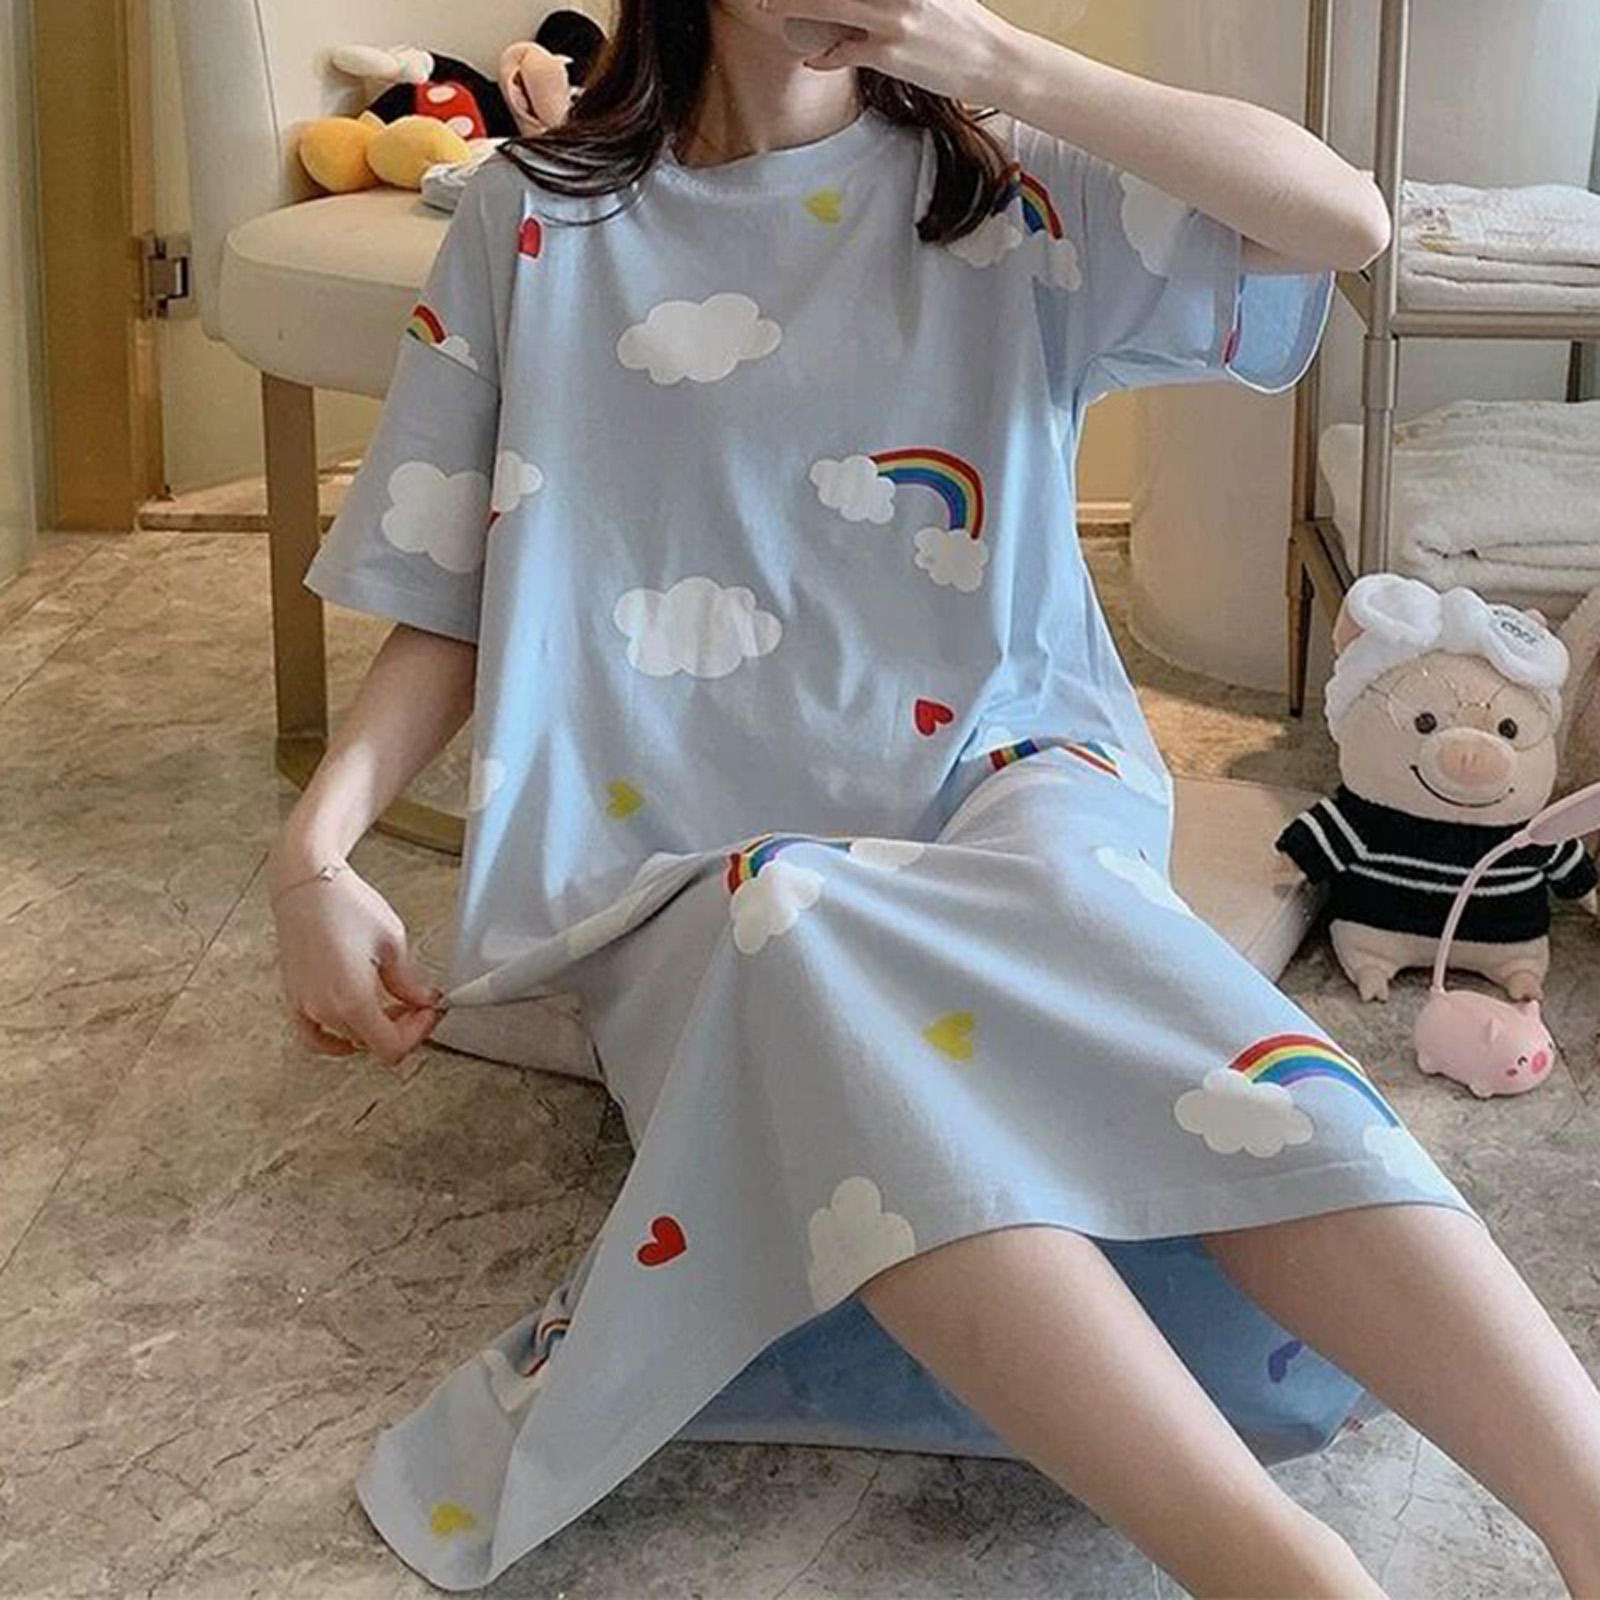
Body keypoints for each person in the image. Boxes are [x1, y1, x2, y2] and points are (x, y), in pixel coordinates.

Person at [266, 2, 1600, 1594]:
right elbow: (454, 588)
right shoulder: (534, 218)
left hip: (1007, 766)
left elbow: (1341, 220)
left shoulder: (1007, 177)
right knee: (794, 925)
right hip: (678, 853)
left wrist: (1000, 65)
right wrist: (315, 852)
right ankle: (1285, 1576)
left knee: (1083, 934)